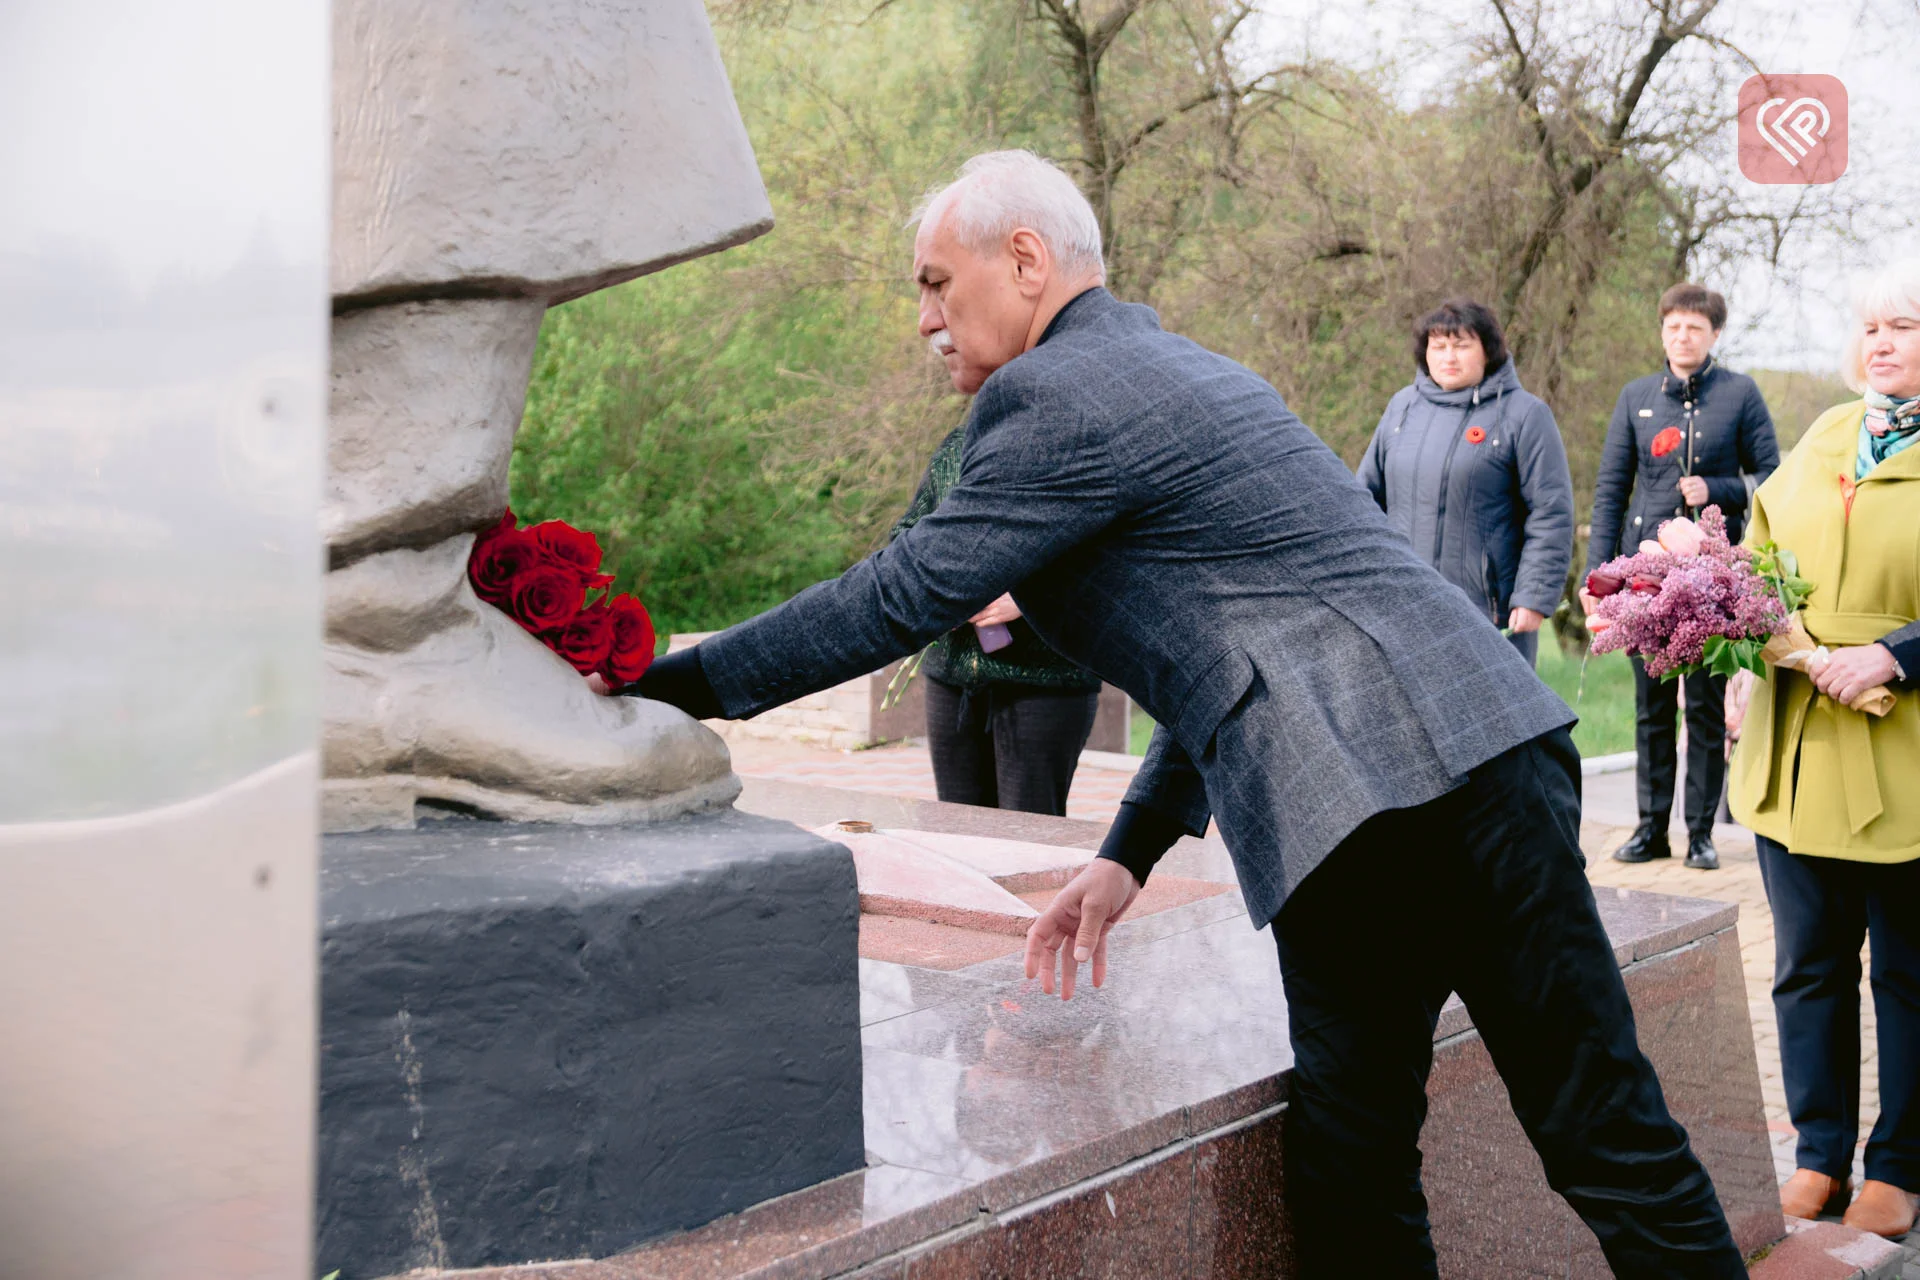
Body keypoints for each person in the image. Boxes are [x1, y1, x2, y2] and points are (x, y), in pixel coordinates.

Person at [616, 150, 1746, 1278]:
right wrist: (1127, 854)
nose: (923, 317)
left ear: (1024, 259)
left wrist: (657, 684)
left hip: (1359, 803)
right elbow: (1245, 651)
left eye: (932, 282)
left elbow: (902, 591)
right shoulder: (1190, 369)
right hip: (1490, 748)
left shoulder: (1049, 393)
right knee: (1603, 1132)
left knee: (1362, 1170)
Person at [1725, 258, 1920, 1240]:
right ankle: (1817, 1154)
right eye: (1869, 324)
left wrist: (1895, 652)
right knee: (1806, 962)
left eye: (1904, 324)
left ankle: (1900, 1162)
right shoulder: (1824, 434)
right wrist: (1745, 656)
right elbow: (1760, 560)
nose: (1879, 340)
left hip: (1907, 756)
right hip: (1795, 749)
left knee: (1909, 970)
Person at [1586, 283, 1780, 871]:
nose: (1682, 337)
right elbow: (1610, 489)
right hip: (1644, 577)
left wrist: (1717, 489)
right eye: (1672, 327)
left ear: (1715, 333)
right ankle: (1650, 828)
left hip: (1710, 581)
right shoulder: (1636, 396)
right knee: (1650, 708)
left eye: (1694, 327)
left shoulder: (1741, 393)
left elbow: (1772, 473)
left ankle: (1700, 834)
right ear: (1662, 331)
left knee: (1702, 707)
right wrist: (1598, 573)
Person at [892, 426, 1102, 815]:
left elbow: (1110, 552)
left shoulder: (1079, 448)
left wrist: (1031, 597)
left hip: (1044, 679)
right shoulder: (958, 445)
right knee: (958, 831)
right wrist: (936, 591)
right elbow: (907, 535)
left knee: (1029, 836)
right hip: (951, 677)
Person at [1357, 298, 1573, 666]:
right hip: (1400, 607)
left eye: (1461, 345)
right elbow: (1361, 501)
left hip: (1489, 614)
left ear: (1488, 351)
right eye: (1438, 346)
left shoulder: (1526, 415)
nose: (1449, 357)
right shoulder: (1400, 408)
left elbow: (1550, 513)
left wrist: (1533, 597)